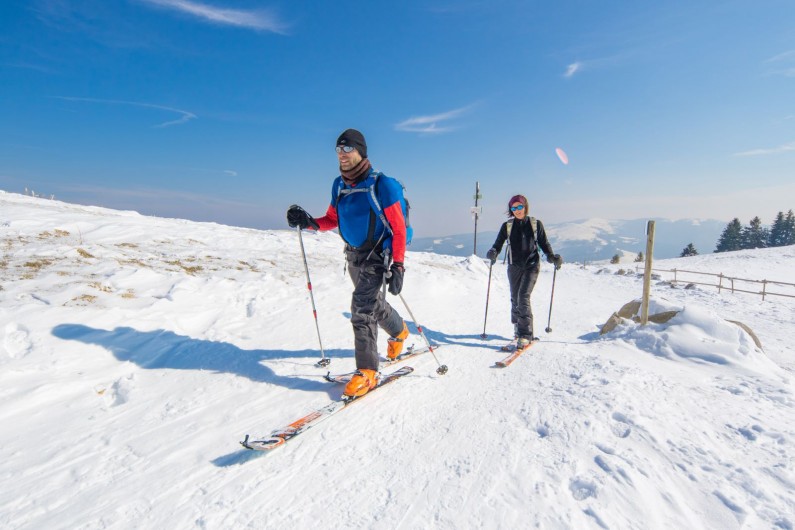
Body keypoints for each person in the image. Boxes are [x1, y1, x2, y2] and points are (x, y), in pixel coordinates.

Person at [286, 129, 410, 398]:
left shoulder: (383, 185)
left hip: (378, 255)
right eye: (338, 150)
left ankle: (367, 371)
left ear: (361, 151)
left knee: (361, 308)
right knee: (372, 302)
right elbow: (332, 219)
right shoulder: (339, 185)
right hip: (353, 255)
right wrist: (309, 222)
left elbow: (399, 229)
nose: (342, 155)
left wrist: (398, 266)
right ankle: (400, 331)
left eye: (347, 149)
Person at [486, 194, 562, 349]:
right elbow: (498, 244)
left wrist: (551, 257)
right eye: (514, 208)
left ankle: (525, 334)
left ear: (525, 206)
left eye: (520, 206)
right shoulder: (507, 226)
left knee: (523, 297)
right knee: (515, 298)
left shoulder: (535, 224)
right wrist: (493, 252)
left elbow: (544, 243)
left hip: (531, 266)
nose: (517, 210)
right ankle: (517, 326)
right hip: (514, 266)